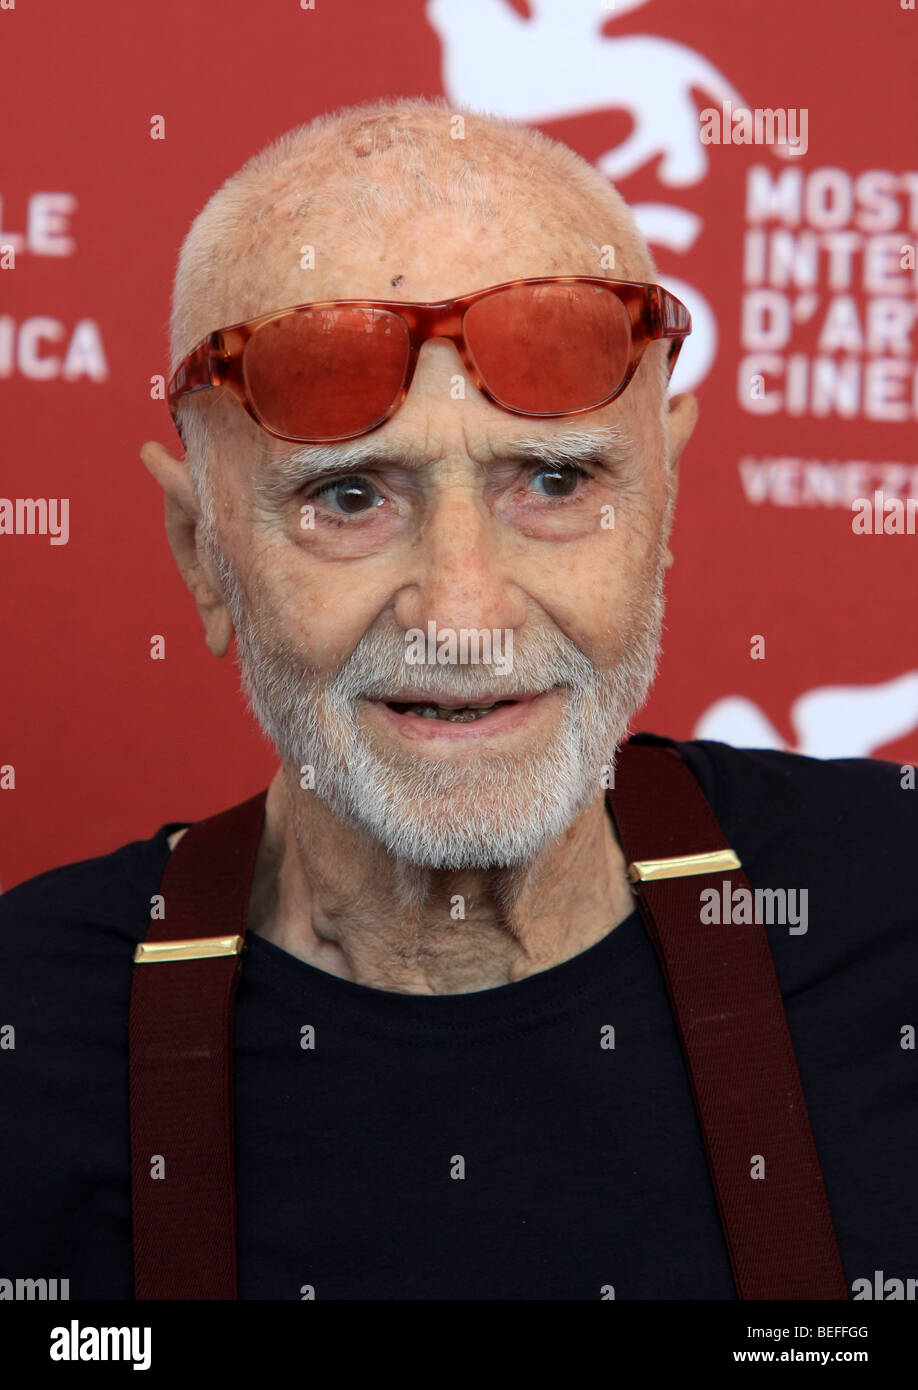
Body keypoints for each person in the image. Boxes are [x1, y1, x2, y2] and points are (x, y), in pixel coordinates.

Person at [1, 96, 915, 1302]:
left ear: (666, 505)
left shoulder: (893, 912)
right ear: (199, 551)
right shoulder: (29, 1044)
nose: (463, 614)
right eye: (347, 500)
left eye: (552, 477)